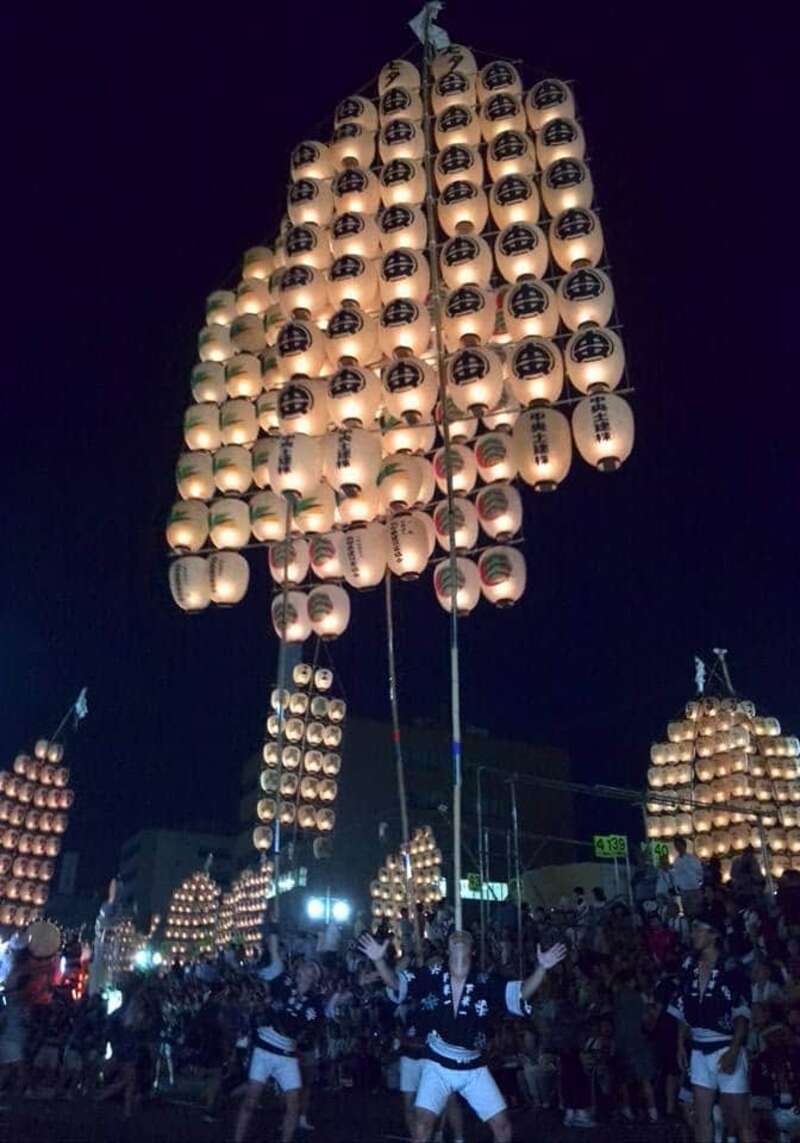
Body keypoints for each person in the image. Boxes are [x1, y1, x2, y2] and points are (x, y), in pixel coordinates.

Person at [359, 928, 566, 1142]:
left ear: (473, 950)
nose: (458, 936)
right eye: (453, 937)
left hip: (473, 1066)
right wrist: (379, 961)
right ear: (447, 949)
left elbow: (520, 993)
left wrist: (542, 968)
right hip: (437, 1064)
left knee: (503, 1127)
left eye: (465, 936)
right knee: (421, 1125)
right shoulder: (432, 974)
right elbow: (396, 983)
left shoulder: (485, 981)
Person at [234, 919, 325, 1143]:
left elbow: (301, 1031)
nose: (305, 968)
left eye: (311, 968)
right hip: (264, 1050)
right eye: (305, 965)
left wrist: (279, 1020)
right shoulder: (283, 980)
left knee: (293, 1104)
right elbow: (275, 952)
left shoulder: (314, 1004)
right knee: (250, 1102)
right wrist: (272, 928)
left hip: (286, 1055)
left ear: (314, 978)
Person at [670, 915, 753, 1142]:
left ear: (714, 935)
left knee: (741, 1119)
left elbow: (742, 1012)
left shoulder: (730, 966)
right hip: (698, 1048)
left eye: (699, 930)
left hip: (726, 1045)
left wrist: (734, 1050)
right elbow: (681, 1006)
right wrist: (680, 1044)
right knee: (700, 1117)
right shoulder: (689, 965)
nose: (694, 934)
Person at [671, 837, 705, 918]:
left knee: (697, 911)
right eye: (677, 846)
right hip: (684, 891)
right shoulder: (676, 861)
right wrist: (677, 887)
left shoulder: (692, 858)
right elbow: (676, 876)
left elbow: (699, 871)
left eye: (680, 845)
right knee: (687, 912)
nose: (678, 848)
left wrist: (697, 882)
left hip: (694, 889)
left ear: (684, 846)